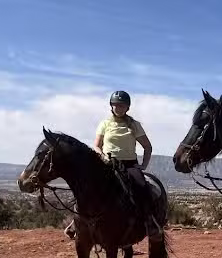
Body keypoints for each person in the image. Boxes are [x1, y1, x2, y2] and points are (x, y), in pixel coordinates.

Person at [64, 90, 162, 240]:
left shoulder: (134, 125)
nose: (118, 108)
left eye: (121, 105)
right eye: (115, 105)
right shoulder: (105, 124)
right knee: (87, 187)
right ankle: (77, 222)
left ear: (127, 107)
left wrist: (143, 165)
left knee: (142, 187)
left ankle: (150, 222)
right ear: (111, 106)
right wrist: (103, 157)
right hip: (107, 164)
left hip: (129, 165)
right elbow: (96, 146)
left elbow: (147, 147)